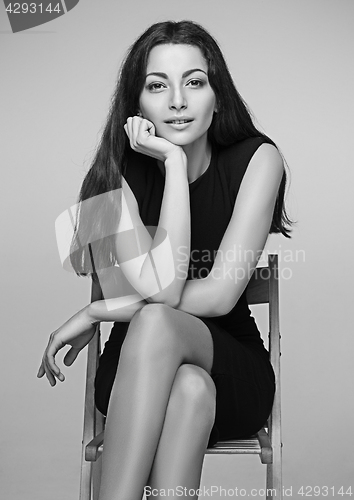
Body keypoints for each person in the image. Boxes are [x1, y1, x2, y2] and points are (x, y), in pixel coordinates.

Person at [38, 20, 292, 500]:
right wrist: (173, 164)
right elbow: (165, 289)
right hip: (135, 366)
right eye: (158, 86)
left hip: (230, 363)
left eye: (194, 82)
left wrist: (98, 310)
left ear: (219, 96)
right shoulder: (116, 173)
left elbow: (214, 298)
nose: (177, 100)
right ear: (137, 105)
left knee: (158, 322)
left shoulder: (260, 160)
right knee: (188, 388)